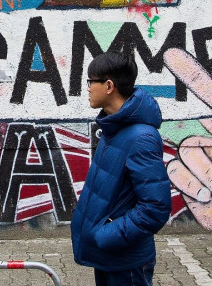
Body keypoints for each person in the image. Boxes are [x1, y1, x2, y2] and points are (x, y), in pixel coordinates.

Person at [71, 51, 171, 286]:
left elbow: (155, 207)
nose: (87, 88)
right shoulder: (113, 128)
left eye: (90, 81)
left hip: (126, 263)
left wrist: (106, 235)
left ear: (108, 86)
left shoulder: (141, 137)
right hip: (110, 257)